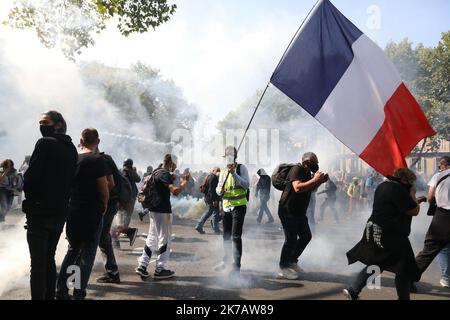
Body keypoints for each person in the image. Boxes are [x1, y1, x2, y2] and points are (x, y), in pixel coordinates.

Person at [343, 168, 427, 300]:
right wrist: (412, 195)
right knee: (403, 267)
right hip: (390, 234)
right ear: (404, 180)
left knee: (378, 262)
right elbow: (414, 211)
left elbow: (397, 205)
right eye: (410, 181)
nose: (412, 184)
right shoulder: (398, 189)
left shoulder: (384, 185)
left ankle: (353, 290)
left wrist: (413, 199)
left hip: (375, 229)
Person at [22, 111, 78, 300]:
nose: (41, 125)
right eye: (40, 122)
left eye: (45, 122)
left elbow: (30, 178)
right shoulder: (71, 148)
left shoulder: (45, 143)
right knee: (49, 258)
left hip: (40, 213)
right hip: (60, 212)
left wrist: (31, 199)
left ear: (58, 124)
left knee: (37, 264)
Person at [56, 128, 110, 300]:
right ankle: (78, 293)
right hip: (92, 212)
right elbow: (104, 190)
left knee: (72, 251)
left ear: (81, 140)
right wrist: (104, 206)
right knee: (87, 254)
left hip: (73, 210)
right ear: (98, 141)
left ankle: (62, 291)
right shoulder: (97, 160)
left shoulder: (73, 158)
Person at [135, 154, 189, 280]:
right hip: (163, 211)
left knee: (152, 237)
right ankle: (160, 269)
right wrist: (184, 183)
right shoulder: (164, 174)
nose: (175, 167)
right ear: (171, 162)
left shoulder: (156, 171)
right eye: (175, 164)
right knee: (165, 239)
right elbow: (175, 191)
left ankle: (142, 265)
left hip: (153, 210)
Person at [277, 152, 328, 280]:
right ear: (306, 163)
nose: (316, 166)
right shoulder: (297, 169)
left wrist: (320, 182)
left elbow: (311, 189)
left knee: (306, 236)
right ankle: (283, 268)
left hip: (299, 212)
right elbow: (297, 188)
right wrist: (315, 179)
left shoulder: (306, 173)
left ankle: (292, 261)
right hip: (288, 210)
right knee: (291, 239)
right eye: (314, 163)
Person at [415, 156, 450, 288]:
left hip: (442, 216)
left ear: (444, 165)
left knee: (429, 250)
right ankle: (446, 277)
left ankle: (408, 278)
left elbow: (430, 197)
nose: (439, 168)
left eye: (440, 166)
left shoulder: (438, 176)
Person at [215, 146, 250, 276]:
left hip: (239, 206)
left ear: (235, 156)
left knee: (236, 236)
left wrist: (234, 173)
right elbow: (218, 188)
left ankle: (236, 267)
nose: (228, 158)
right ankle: (227, 259)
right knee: (226, 236)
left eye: (230, 155)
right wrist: (220, 191)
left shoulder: (241, 168)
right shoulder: (223, 170)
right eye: (226, 155)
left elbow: (246, 185)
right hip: (225, 206)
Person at [96, 146, 122, 284]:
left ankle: (112, 272)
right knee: (103, 237)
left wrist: (104, 204)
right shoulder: (107, 158)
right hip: (111, 204)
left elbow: (109, 184)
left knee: (100, 237)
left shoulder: (101, 160)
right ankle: (112, 272)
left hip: (106, 204)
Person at [112, 159, 140, 247]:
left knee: (121, 216)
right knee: (125, 216)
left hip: (123, 197)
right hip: (128, 198)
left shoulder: (120, 171)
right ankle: (125, 231)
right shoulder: (128, 171)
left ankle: (121, 234)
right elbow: (138, 179)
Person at [195, 167, 221, 234]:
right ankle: (215, 229)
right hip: (212, 199)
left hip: (209, 198)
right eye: (217, 170)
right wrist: (214, 200)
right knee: (213, 213)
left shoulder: (209, 176)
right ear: (213, 171)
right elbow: (212, 190)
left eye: (219, 171)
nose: (219, 172)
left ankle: (200, 226)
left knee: (211, 212)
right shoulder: (213, 177)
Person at [0, 159, 17, 224]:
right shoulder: (1, 168)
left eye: (10, 165)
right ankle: (1, 221)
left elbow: (16, 182)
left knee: (9, 206)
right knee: (4, 206)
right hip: (2, 189)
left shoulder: (14, 170)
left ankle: (1, 217)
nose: (9, 166)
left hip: (12, 190)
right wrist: (5, 172)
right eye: (7, 165)